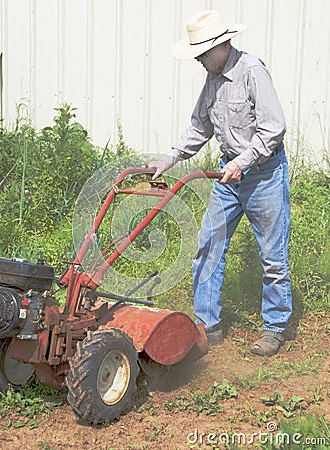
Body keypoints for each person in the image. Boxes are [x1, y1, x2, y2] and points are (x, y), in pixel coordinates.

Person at [150, 10, 292, 357]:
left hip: (264, 176)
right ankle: (206, 326)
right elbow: (200, 127)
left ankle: (274, 328)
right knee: (208, 246)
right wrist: (169, 158)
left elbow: (273, 128)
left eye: (202, 52)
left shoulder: (252, 71)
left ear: (222, 45)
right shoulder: (212, 79)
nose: (198, 59)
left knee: (272, 258)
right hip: (228, 175)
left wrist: (243, 162)